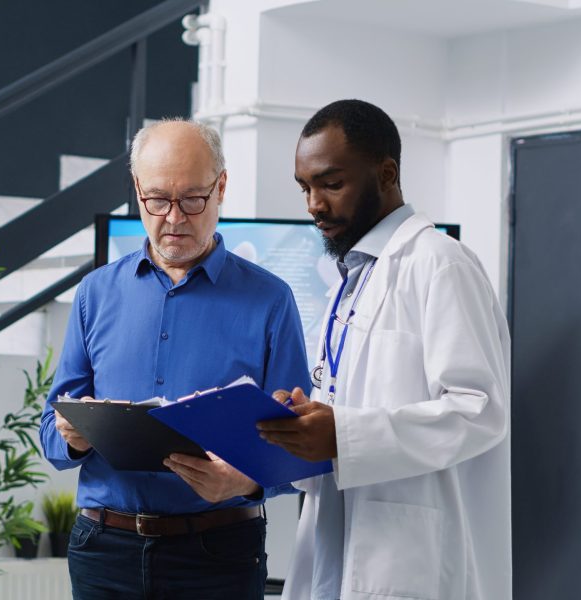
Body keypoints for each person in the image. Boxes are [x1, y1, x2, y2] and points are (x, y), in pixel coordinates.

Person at [39, 118, 311, 599]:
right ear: (138, 190)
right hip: (103, 551)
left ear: (221, 186)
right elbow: (50, 432)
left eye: (192, 199)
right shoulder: (95, 294)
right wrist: (74, 438)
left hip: (218, 554)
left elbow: (298, 446)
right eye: (158, 200)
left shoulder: (271, 300)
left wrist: (242, 481)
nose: (174, 218)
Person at [257, 100, 511, 600]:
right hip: (337, 538)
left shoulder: (439, 264)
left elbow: (478, 410)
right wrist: (310, 422)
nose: (314, 204)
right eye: (305, 188)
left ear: (387, 173)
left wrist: (344, 435)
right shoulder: (350, 282)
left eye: (331, 184)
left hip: (411, 555)